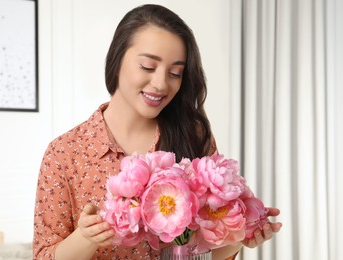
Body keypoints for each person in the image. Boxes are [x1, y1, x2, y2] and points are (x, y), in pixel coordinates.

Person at [33, 4, 282, 260]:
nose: (161, 84)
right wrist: (86, 238)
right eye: (148, 67)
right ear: (117, 60)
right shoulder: (65, 153)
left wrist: (237, 236)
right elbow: (43, 255)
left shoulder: (193, 136)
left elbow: (206, 254)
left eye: (175, 73)